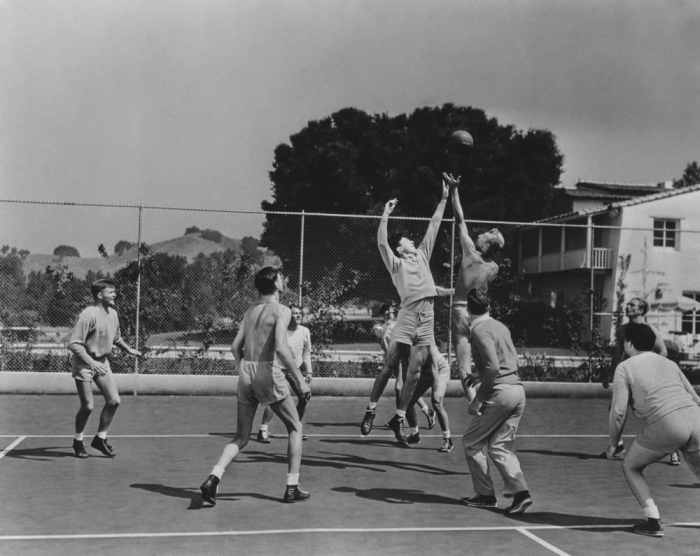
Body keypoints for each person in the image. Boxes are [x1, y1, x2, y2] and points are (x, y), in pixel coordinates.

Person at [199, 267, 311, 505]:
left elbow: (234, 347)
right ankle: (292, 486)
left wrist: (243, 367)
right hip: (267, 371)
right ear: (277, 284)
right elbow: (281, 347)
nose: (284, 280)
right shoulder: (283, 311)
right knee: (295, 427)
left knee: (241, 436)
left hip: (246, 372)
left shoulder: (250, 311)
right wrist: (300, 379)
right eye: (282, 277)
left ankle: (214, 476)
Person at [360, 181, 449, 445]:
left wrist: (444, 197)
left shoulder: (422, 254)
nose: (413, 239)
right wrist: (385, 214)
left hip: (427, 317)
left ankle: (399, 416)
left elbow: (434, 224)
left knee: (414, 372)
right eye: (407, 239)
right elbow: (380, 242)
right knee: (388, 367)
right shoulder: (396, 263)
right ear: (400, 247)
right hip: (408, 316)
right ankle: (370, 411)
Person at [604, 322, 700, 537]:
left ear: (628, 343)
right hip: (695, 417)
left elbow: (619, 412)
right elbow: (695, 398)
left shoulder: (625, 367)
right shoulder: (669, 363)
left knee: (631, 466)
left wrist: (613, 444)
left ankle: (653, 521)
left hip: (668, 423)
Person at [460, 289, 532, 515]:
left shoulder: (478, 331)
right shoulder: (500, 326)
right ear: (488, 307)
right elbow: (504, 362)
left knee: (471, 442)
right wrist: (480, 375)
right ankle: (522, 494)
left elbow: (493, 367)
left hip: (500, 393)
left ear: (468, 311)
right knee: (500, 446)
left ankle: (485, 495)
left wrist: (478, 401)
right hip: (517, 391)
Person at [442, 172, 504, 392]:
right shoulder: (494, 268)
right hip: (481, 316)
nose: (481, 235)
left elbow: (460, 219)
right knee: (486, 364)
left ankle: (476, 408)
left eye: (485, 235)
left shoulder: (470, 252)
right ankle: (486, 401)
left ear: (487, 245)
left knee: (465, 369)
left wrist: (454, 190)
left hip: (461, 311)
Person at [68, 279, 142, 458]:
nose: (115, 295)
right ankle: (78, 441)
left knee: (114, 401)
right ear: (100, 295)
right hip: (84, 363)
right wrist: (91, 363)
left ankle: (100, 438)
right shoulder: (88, 314)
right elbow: (74, 344)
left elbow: (116, 337)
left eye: (114, 292)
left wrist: (128, 349)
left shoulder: (113, 314)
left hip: (102, 363)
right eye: (111, 292)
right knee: (88, 406)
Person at [601, 297, 671, 460]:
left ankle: (673, 449)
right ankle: (617, 446)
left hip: (642, 379)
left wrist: (650, 369)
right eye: (628, 304)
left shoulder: (649, 329)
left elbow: (663, 352)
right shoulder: (622, 330)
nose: (628, 307)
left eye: (633, 305)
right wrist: (610, 374)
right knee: (616, 410)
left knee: (653, 415)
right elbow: (617, 353)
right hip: (625, 377)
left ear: (641, 310)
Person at [371, 305, 436, 432]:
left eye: (390, 311)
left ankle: (400, 419)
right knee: (405, 389)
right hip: (394, 360)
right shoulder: (382, 328)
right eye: (386, 311)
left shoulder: (398, 326)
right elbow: (385, 345)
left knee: (399, 388)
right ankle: (427, 411)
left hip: (403, 360)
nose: (388, 313)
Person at [257, 305, 313, 443]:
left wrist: (309, 371)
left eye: (299, 313)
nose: (297, 315)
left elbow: (306, 353)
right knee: (276, 399)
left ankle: (295, 428)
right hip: (278, 369)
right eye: (294, 313)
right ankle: (263, 430)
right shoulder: (280, 331)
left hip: (295, 369)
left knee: (305, 396)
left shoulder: (305, 331)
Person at [405, 345, 454, 453]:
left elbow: (434, 369)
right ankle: (415, 435)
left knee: (436, 402)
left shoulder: (426, 343)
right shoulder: (406, 343)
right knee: (408, 400)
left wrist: (435, 391)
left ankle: (447, 440)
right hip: (426, 372)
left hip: (440, 370)